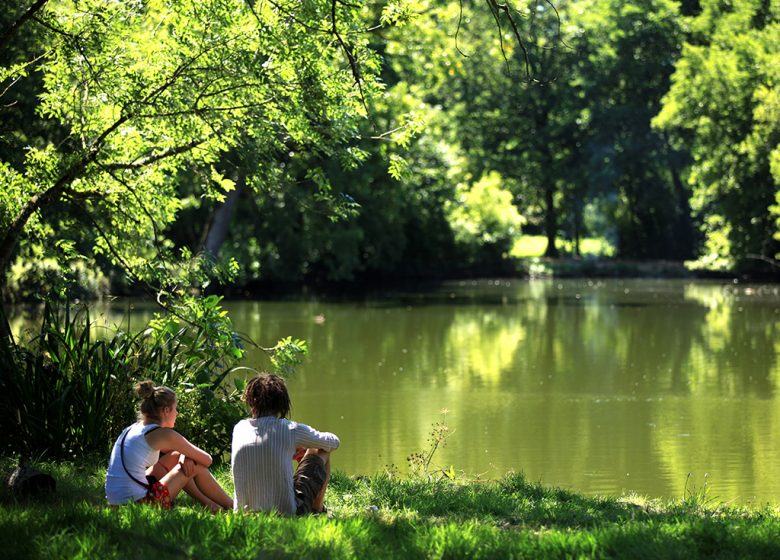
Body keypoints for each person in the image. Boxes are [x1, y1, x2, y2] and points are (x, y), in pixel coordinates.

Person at [105, 380, 233, 512]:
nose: (177, 413)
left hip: (116, 503)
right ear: (166, 410)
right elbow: (207, 460)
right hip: (140, 505)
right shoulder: (163, 434)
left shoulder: (134, 428)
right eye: (175, 408)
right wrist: (188, 457)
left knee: (179, 457)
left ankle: (210, 504)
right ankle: (234, 506)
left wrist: (184, 455)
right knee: (194, 465)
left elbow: (176, 452)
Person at [231, 373, 339, 515]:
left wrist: (292, 447)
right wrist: (304, 446)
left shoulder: (239, 428)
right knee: (320, 448)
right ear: (282, 403)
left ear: (252, 402)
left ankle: (316, 508)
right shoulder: (290, 428)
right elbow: (334, 442)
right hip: (287, 512)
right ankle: (318, 509)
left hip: (245, 514)